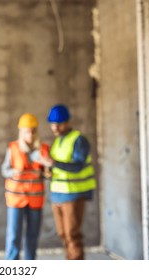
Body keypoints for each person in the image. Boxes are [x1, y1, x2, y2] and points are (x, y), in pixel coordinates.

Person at [44, 104, 96, 260]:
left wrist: (53, 164)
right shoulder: (58, 141)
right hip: (58, 195)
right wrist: (49, 171)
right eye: (53, 124)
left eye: (59, 124)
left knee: (72, 235)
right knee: (63, 235)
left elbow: (78, 166)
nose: (55, 127)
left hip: (73, 194)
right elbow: (58, 165)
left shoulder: (79, 140)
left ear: (67, 122)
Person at [1, 113, 50, 260]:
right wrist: (14, 172)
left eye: (33, 130)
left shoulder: (43, 149)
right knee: (14, 235)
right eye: (27, 131)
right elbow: (4, 170)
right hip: (16, 199)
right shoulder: (13, 148)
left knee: (32, 235)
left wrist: (47, 167)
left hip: (35, 199)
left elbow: (47, 173)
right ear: (21, 132)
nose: (30, 134)